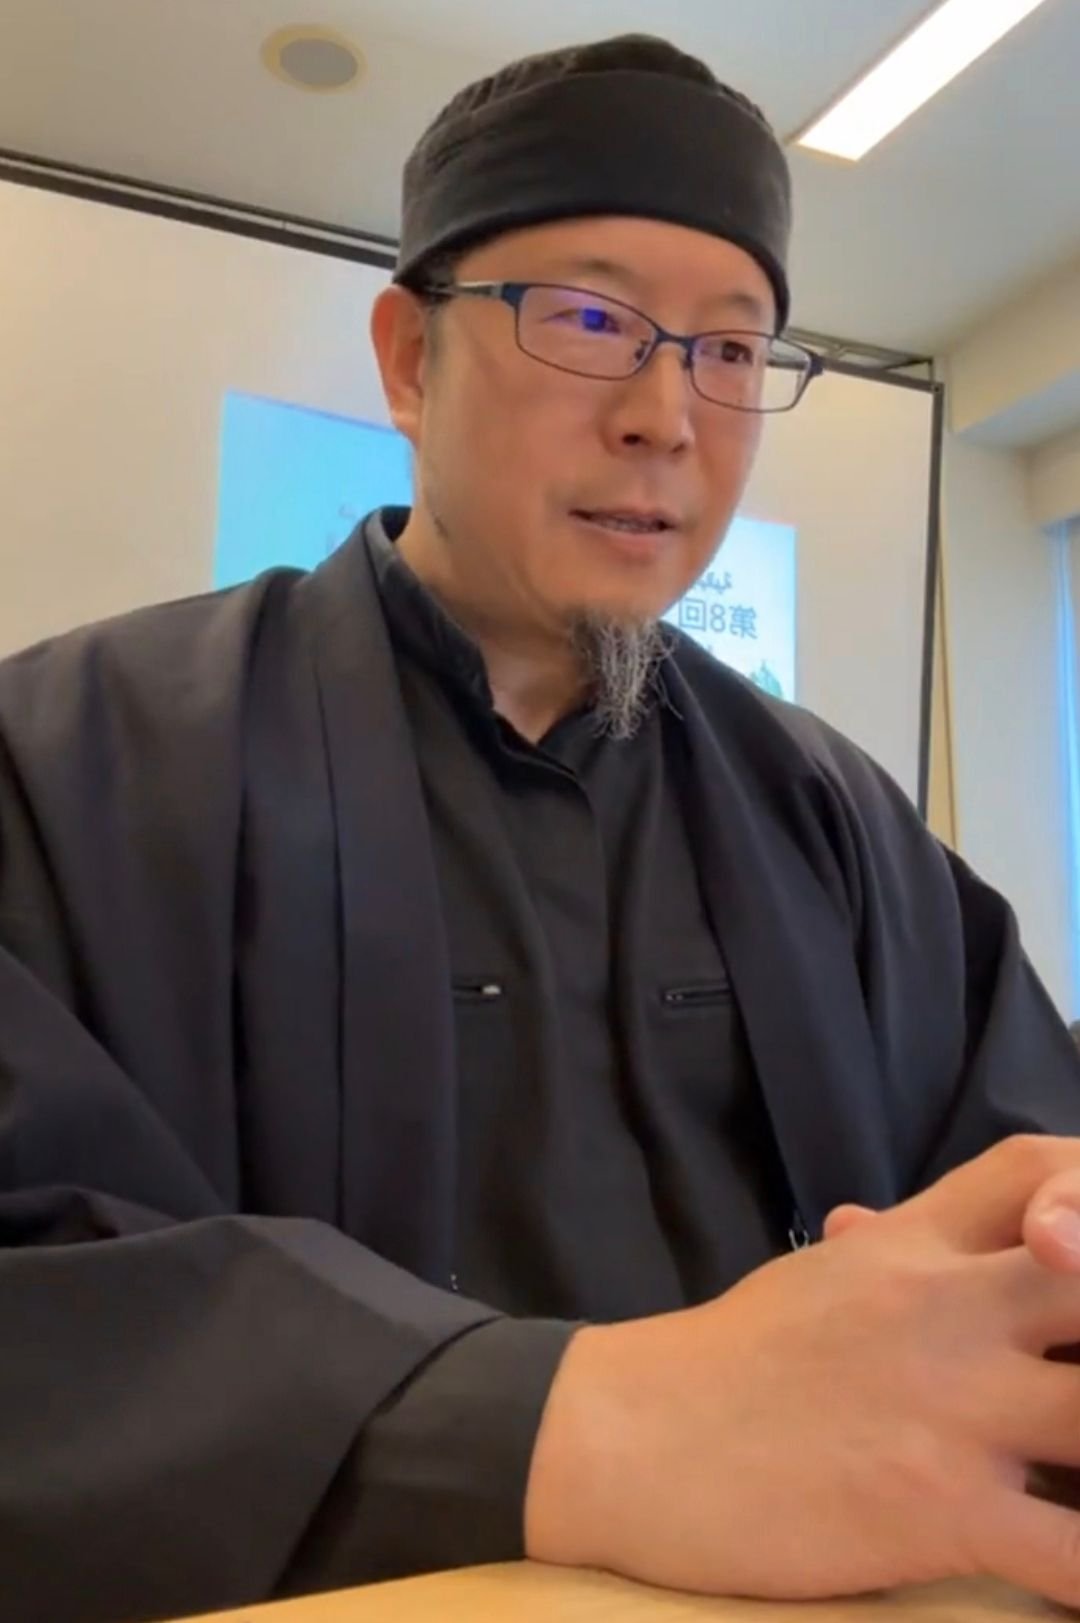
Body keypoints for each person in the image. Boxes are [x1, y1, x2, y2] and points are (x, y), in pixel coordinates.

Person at [2, 31, 1080, 1623]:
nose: (667, 417)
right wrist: (585, 1428)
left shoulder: (837, 817)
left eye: (731, 350)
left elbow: (1016, 1184)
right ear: (408, 360)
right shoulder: (72, 760)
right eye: (588, 320)